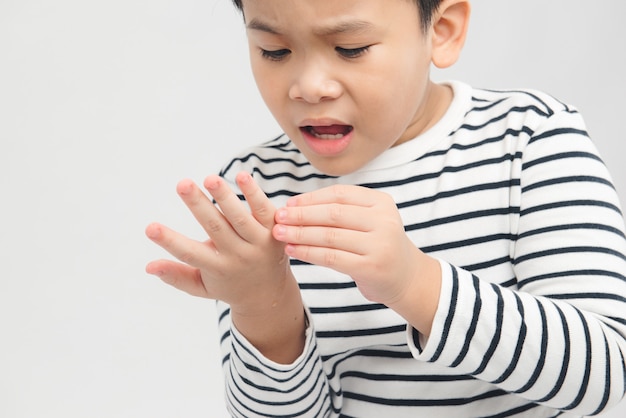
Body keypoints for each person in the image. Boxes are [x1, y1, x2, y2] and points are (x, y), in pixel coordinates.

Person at [145, 0, 626, 416]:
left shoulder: (528, 141)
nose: (309, 86)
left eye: (349, 48)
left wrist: (415, 283)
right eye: (275, 50)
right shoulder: (255, 192)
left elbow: (608, 375)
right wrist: (263, 310)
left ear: (442, 31)